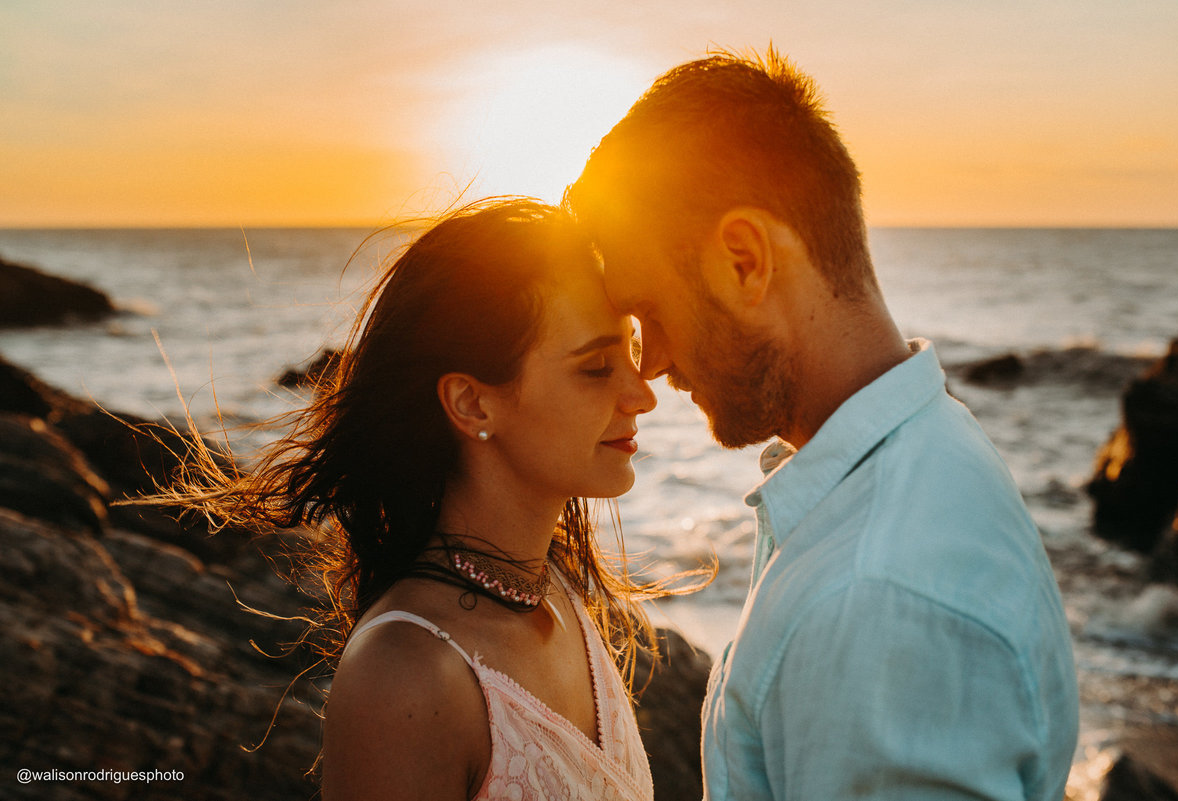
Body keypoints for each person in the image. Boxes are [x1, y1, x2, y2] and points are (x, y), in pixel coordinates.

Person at [567, 48, 1079, 800]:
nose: (650, 364)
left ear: (744, 261)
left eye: (650, 313)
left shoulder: (875, 598)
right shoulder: (933, 448)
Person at [170, 199, 668, 800]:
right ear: (471, 403)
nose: (642, 395)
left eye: (632, 353)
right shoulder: (404, 677)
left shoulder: (562, 588)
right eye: (595, 367)